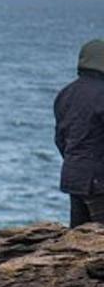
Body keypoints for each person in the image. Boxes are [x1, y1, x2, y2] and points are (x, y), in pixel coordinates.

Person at [55, 39, 104, 226]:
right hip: (98, 180)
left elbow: (60, 139)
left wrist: (75, 160)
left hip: (73, 176)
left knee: (80, 236)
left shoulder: (66, 93)